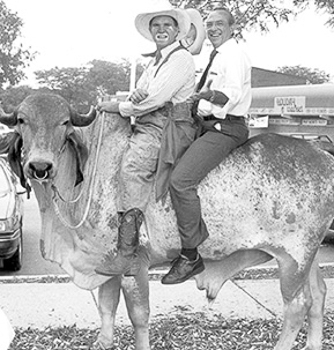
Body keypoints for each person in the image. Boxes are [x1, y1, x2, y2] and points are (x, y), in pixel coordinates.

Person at [94, 8, 205, 277]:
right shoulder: (156, 61)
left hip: (167, 127)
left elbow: (154, 100)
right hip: (150, 121)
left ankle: (127, 253)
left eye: (167, 25)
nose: (161, 29)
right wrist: (135, 97)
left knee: (132, 168)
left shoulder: (180, 59)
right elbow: (141, 94)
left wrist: (118, 106)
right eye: (157, 26)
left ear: (177, 31)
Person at [161, 7, 252, 285]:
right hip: (207, 123)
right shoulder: (217, 55)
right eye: (209, 24)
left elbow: (233, 95)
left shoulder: (233, 54)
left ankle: (190, 255)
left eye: (219, 24)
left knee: (181, 180)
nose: (213, 29)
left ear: (232, 27)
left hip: (226, 128)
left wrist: (208, 94)